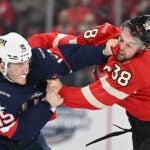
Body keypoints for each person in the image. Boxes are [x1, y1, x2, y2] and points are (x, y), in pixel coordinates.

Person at [48, 15, 150, 150]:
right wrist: (31, 50)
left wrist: (60, 91)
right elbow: (71, 44)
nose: (120, 46)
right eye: (121, 39)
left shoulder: (142, 66)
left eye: (129, 45)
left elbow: (95, 99)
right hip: (140, 116)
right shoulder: (108, 33)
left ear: (145, 49)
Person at [0, 31, 114, 149]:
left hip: (30, 137)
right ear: (2, 66)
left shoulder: (37, 61)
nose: (25, 69)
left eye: (27, 61)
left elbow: (71, 57)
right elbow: (21, 131)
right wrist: (48, 104)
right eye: (19, 64)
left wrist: (103, 52)